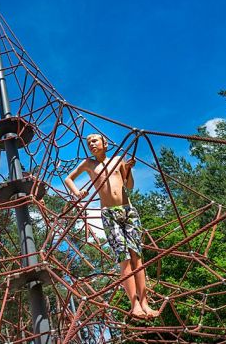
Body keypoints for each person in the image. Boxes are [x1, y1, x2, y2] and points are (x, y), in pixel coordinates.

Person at [64, 133, 159, 319]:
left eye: (95, 140)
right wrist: (77, 193)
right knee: (124, 258)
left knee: (136, 257)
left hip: (128, 210)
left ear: (105, 143)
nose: (91, 143)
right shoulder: (89, 164)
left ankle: (145, 303)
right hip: (109, 213)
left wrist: (128, 169)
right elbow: (69, 179)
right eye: (88, 142)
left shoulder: (117, 160)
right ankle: (135, 305)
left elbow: (129, 186)